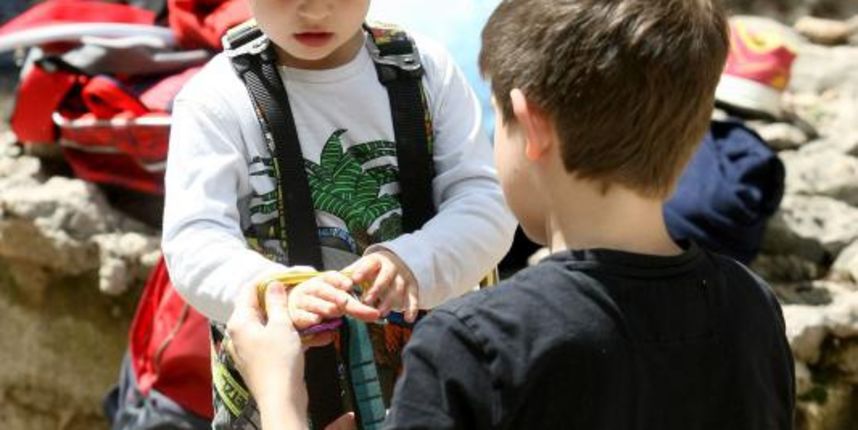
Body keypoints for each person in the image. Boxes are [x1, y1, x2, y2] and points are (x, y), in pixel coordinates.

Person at [227, 0, 796, 428]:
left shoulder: (473, 346)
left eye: (495, 115)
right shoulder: (753, 308)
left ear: (532, 125)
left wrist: (281, 401)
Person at [161, 0, 516, 427]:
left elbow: (485, 201)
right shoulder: (215, 99)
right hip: (284, 394)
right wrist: (274, 291)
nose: (313, 10)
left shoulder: (424, 71)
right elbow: (193, 241)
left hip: (434, 385)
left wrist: (415, 261)